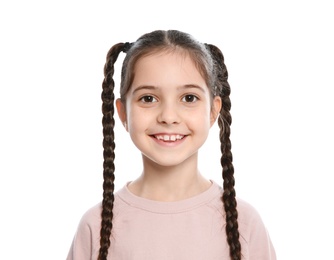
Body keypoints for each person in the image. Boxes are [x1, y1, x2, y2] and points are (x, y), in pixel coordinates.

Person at [67, 29, 276, 260]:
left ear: (213, 110)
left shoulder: (244, 224)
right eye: (148, 98)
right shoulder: (94, 227)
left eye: (189, 98)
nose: (168, 116)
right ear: (123, 113)